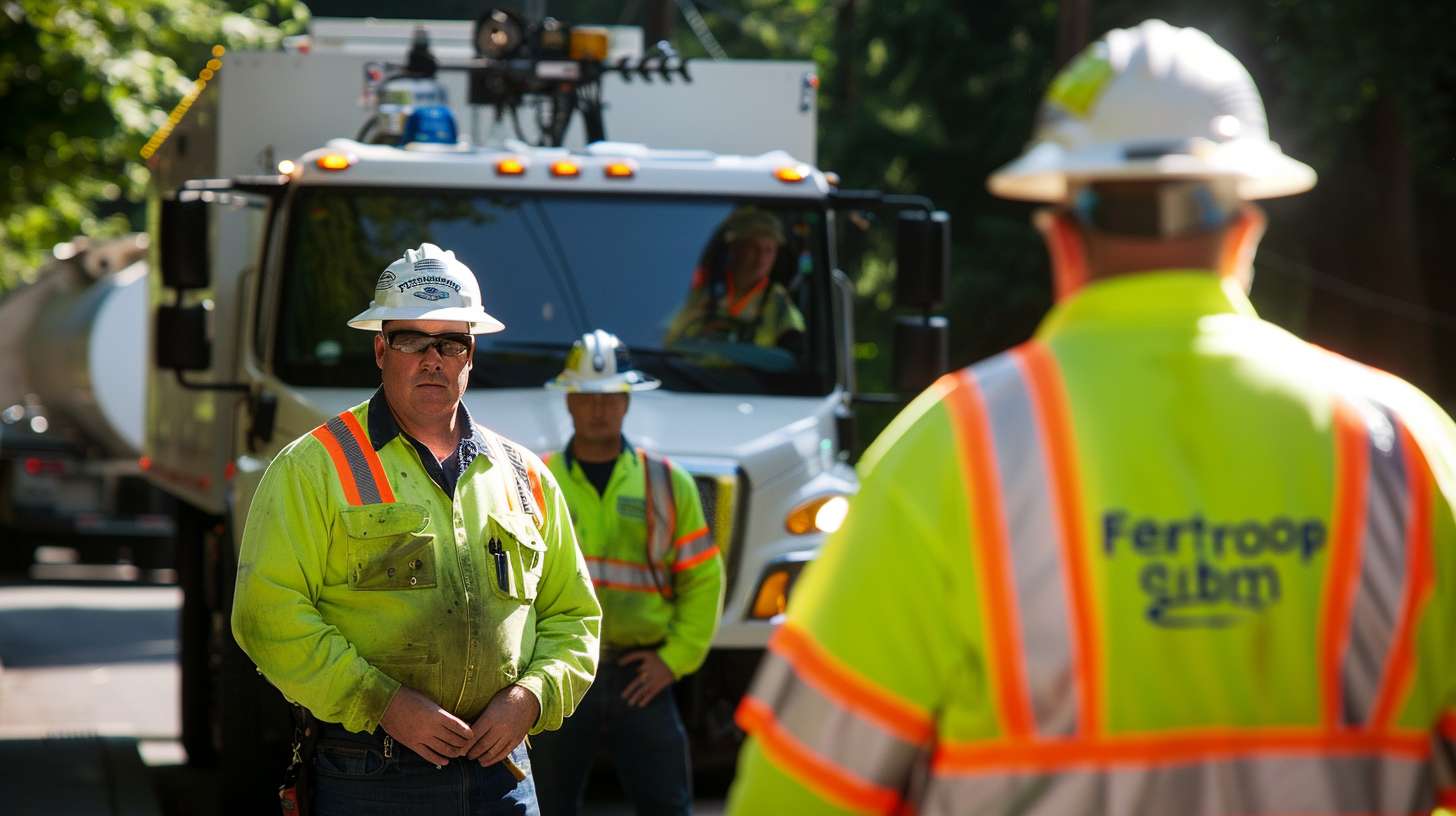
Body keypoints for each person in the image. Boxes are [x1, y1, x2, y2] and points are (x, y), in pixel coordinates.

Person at [728, 19, 1456, 815]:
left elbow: (793, 796)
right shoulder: (1409, 451)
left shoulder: (953, 451)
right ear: (1246, 228)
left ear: (1062, 234)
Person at [232, 243, 602, 816]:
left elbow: (574, 616)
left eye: (450, 342)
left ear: (470, 355)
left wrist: (530, 697)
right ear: (381, 349)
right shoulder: (313, 467)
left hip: (501, 773)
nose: (433, 359)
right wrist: (382, 702)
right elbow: (266, 614)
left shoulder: (524, 475)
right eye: (411, 340)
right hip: (369, 772)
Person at [530, 329, 725, 816]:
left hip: (643, 674)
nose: (599, 409)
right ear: (569, 401)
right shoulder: (536, 478)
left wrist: (674, 660)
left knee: (666, 806)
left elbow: (703, 577)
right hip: (558, 673)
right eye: (588, 397)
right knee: (545, 806)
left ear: (627, 402)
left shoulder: (666, 481)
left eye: (611, 397)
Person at [663, 207, 806, 350]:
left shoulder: (779, 303)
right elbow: (668, 339)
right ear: (735, 249)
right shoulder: (703, 292)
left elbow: (795, 352)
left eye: (769, 250)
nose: (761, 258)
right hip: (691, 370)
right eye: (753, 248)